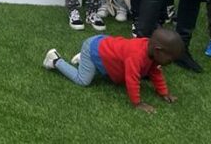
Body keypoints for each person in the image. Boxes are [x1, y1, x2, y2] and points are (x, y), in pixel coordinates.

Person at [42, 27, 183, 113]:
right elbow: (132, 80)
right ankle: (55, 60)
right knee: (83, 80)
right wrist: (137, 103)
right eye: (170, 59)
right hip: (93, 48)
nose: (170, 63)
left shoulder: (151, 49)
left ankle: (86, 61)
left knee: (106, 65)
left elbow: (155, 72)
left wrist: (164, 93)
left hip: (104, 44)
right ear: (158, 51)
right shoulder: (136, 56)